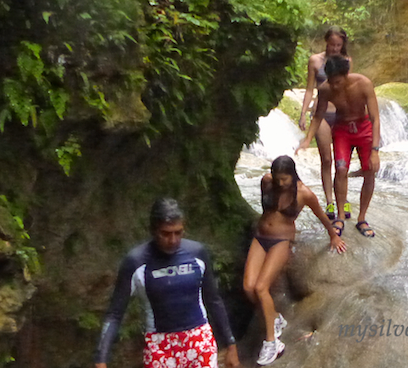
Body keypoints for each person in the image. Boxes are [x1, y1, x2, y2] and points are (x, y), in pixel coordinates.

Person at [94, 198, 240, 368]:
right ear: (153, 230)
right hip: (160, 346)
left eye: (178, 233)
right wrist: (101, 359)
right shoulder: (136, 262)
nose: (172, 240)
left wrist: (231, 344)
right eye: (166, 233)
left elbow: (214, 300)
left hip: (199, 341)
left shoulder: (197, 254)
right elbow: (115, 314)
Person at [243, 155, 346, 366]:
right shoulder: (266, 182)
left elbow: (321, 215)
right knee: (248, 287)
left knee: (261, 288)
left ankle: (272, 342)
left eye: (285, 179)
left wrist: (333, 235)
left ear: (292, 174)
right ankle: (275, 317)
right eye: (277, 178)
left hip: (281, 241)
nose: (281, 183)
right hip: (260, 237)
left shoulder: (304, 193)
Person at [296, 54, 381, 237]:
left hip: (364, 127)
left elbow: (375, 118)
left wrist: (375, 150)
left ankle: (362, 218)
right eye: (331, 81)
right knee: (341, 169)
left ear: (346, 74)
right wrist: (307, 139)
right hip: (342, 129)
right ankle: (340, 216)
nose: (334, 86)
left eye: (338, 81)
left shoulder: (364, 83)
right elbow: (318, 116)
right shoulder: (325, 89)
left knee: (369, 170)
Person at [299, 26, 354, 220]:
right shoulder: (315, 60)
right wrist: (303, 113)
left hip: (339, 114)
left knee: (342, 162)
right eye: (332, 44)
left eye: (339, 45)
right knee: (327, 159)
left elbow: (347, 88)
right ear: (326, 42)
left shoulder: (346, 61)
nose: (335, 48)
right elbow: (308, 89)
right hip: (321, 114)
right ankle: (330, 202)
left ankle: (342, 199)